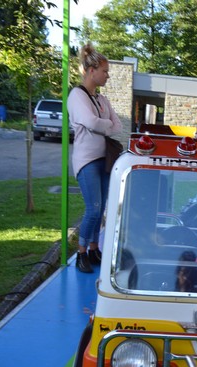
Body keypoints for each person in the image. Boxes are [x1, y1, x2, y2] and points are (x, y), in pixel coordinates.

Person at [68, 42, 122, 274]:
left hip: (104, 160)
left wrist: (102, 124)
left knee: (100, 210)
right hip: (87, 161)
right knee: (93, 208)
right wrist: (104, 124)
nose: (107, 75)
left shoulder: (102, 100)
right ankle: (81, 253)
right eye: (105, 71)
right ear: (91, 71)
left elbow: (117, 126)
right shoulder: (76, 96)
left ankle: (93, 249)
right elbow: (90, 122)